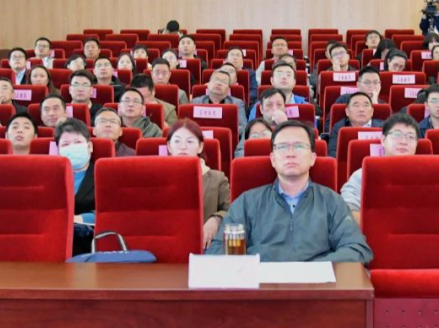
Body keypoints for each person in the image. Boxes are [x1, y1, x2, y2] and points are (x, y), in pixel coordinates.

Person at [207, 121, 373, 263]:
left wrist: (311, 270)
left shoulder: (331, 201)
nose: (290, 153)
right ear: (273, 159)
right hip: (263, 285)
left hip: (316, 286)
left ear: (312, 158)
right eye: (282, 147)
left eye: (299, 146)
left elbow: (357, 249)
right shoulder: (246, 202)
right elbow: (217, 250)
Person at [340, 113, 420, 224]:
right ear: (383, 140)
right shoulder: (365, 174)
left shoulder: (426, 175)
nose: (403, 141)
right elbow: (347, 206)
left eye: (410, 137)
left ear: (417, 143)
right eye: (397, 135)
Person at [167, 119, 231, 250]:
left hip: (205, 247)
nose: (183, 147)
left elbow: (231, 211)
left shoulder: (217, 178)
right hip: (167, 244)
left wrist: (216, 219)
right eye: (177, 141)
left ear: (200, 147)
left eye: (190, 141)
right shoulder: (158, 177)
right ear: (169, 146)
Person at [54, 119, 97, 254]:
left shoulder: (103, 174)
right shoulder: (51, 177)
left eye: (77, 142)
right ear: (59, 151)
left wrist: (78, 219)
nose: (72, 147)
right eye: (66, 144)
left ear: (89, 147)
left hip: (91, 243)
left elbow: (111, 213)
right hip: (55, 239)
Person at [327, 92, 384, 157]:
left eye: (365, 105)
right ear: (347, 111)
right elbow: (332, 152)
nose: (361, 109)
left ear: (372, 112)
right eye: (356, 105)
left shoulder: (382, 127)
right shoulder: (339, 127)